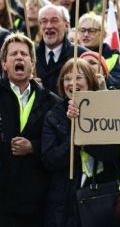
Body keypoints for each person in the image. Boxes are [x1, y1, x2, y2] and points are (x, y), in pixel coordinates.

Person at [43, 58, 120, 227]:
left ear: (90, 80)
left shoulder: (105, 111)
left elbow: (114, 153)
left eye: (78, 77)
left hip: (101, 197)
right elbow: (50, 159)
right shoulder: (54, 115)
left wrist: (83, 129)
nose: (72, 83)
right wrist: (73, 137)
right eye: (67, 79)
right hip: (65, 200)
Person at [0, 33, 60, 227]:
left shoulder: (51, 101)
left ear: (33, 64)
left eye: (25, 54)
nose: (19, 58)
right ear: (4, 63)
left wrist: (33, 147)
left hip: (37, 201)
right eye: (14, 54)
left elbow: (60, 145)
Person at [35, 5, 87, 94]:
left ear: (66, 25)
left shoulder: (81, 55)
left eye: (54, 21)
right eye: (44, 21)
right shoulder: (30, 55)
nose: (48, 26)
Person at [77, 13, 120, 82]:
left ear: (104, 34)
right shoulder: (72, 53)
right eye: (83, 30)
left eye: (92, 31)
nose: (86, 34)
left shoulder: (114, 56)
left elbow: (118, 85)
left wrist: (104, 78)